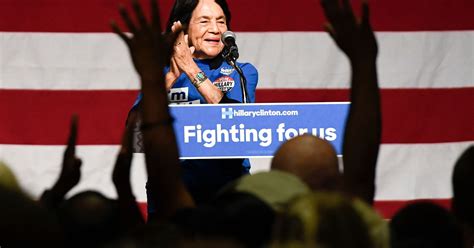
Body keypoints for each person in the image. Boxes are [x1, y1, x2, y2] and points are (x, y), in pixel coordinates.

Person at [125, 0, 258, 215]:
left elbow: (235, 121)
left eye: (221, 21)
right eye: (205, 21)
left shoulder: (241, 71)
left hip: (229, 193)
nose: (215, 29)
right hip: (171, 193)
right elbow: (133, 130)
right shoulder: (162, 73)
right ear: (182, 28)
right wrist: (165, 82)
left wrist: (189, 65)